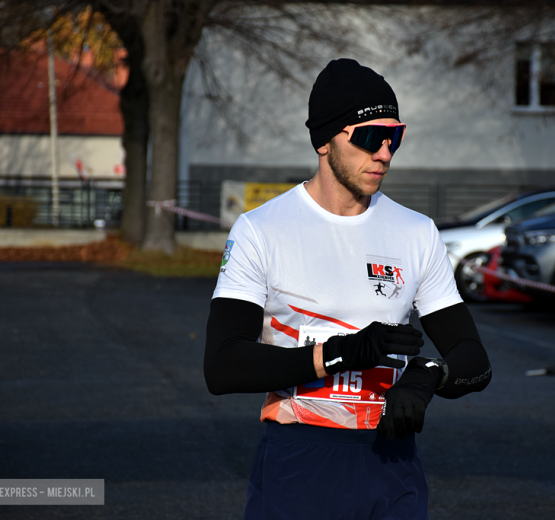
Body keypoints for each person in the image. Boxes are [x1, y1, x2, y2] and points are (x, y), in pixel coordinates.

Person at [204, 58, 492, 520]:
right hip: (301, 460)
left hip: (392, 461)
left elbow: (474, 358)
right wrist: (339, 353)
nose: (383, 152)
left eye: (393, 137)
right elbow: (222, 366)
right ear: (324, 139)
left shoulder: (417, 232)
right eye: (367, 136)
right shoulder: (261, 229)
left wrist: (427, 376)